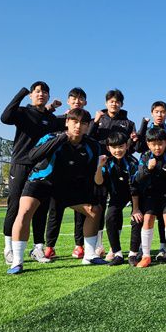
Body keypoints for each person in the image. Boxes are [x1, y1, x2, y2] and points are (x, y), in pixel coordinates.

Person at [7, 109, 107, 274]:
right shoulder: (51, 137)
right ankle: (17, 261)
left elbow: (90, 174)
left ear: (87, 126)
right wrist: (61, 138)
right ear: (67, 122)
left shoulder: (93, 145)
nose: (78, 126)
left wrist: (90, 190)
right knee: (24, 212)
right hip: (41, 181)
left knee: (95, 210)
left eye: (83, 123)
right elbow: (32, 156)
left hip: (67, 186)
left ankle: (89, 255)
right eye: (74, 122)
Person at [0, 82, 63, 265]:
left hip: (42, 168)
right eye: (37, 91)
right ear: (31, 95)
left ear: (48, 96)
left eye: (44, 92)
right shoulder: (22, 112)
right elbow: (5, 117)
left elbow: (68, 123)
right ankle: (9, 249)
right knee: (14, 205)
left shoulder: (50, 119)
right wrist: (22, 92)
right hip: (21, 165)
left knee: (41, 208)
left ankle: (38, 248)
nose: (41, 94)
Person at [88, 89, 136, 258]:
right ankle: (99, 245)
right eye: (111, 101)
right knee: (100, 207)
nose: (114, 104)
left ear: (121, 104)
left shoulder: (128, 123)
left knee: (117, 206)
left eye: (117, 101)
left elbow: (133, 146)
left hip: (121, 167)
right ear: (106, 102)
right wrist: (95, 122)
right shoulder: (99, 118)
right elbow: (88, 137)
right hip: (102, 166)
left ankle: (113, 248)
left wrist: (134, 140)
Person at [44, 87, 88, 260]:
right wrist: (50, 108)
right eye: (74, 98)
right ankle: (49, 246)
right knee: (55, 212)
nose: (77, 101)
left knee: (81, 214)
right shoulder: (58, 120)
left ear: (85, 102)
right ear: (68, 101)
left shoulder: (88, 119)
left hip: (80, 175)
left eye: (80, 98)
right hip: (59, 176)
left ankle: (79, 246)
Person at [132, 128, 166, 268]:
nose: (157, 147)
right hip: (150, 196)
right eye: (153, 144)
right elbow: (138, 179)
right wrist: (148, 169)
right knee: (147, 220)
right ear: (148, 144)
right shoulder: (144, 157)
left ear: (165, 143)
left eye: (160, 144)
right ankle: (146, 256)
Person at [93, 131, 140, 266]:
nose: (117, 150)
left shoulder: (132, 162)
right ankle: (117, 254)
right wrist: (99, 166)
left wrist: (135, 209)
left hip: (135, 195)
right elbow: (99, 182)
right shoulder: (107, 163)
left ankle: (133, 254)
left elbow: (135, 187)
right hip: (116, 196)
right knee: (110, 217)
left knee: (137, 219)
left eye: (120, 146)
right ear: (108, 148)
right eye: (114, 147)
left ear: (126, 146)